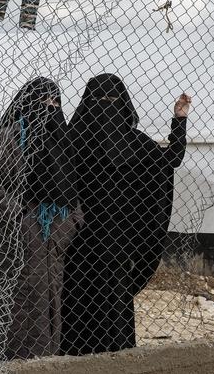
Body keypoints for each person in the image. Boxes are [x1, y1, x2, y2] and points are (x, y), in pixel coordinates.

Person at [60, 73, 190, 356]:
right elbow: (171, 159)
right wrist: (179, 121)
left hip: (77, 245)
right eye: (100, 101)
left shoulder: (72, 140)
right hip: (118, 246)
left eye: (110, 101)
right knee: (113, 308)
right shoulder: (136, 144)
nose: (105, 109)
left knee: (75, 303)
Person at [0, 78, 83, 362]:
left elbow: (74, 193)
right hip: (11, 239)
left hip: (52, 244)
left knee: (48, 303)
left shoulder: (63, 143)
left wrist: (70, 223)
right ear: (26, 104)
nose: (49, 108)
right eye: (42, 102)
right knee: (10, 301)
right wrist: (19, 214)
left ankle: (42, 361)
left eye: (55, 102)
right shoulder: (7, 139)